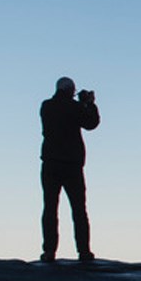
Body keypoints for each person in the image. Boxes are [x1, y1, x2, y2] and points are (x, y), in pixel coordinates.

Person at [40, 76, 100, 262]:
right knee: (79, 210)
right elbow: (91, 123)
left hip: (50, 163)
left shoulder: (46, 106)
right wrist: (88, 104)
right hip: (71, 165)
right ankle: (83, 251)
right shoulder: (75, 108)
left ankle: (49, 251)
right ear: (71, 91)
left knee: (50, 208)